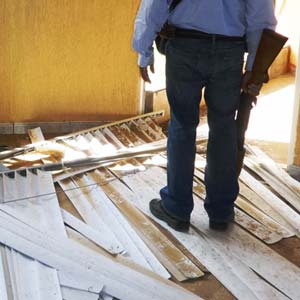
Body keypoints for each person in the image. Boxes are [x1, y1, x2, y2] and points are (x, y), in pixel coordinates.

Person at [132, 0, 277, 231]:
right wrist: (254, 67)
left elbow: (154, 5)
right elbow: (261, 15)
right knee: (224, 128)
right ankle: (220, 211)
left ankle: (176, 208)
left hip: (184, 47)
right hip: (230, 52)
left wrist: (143, 50)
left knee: (182, 125)